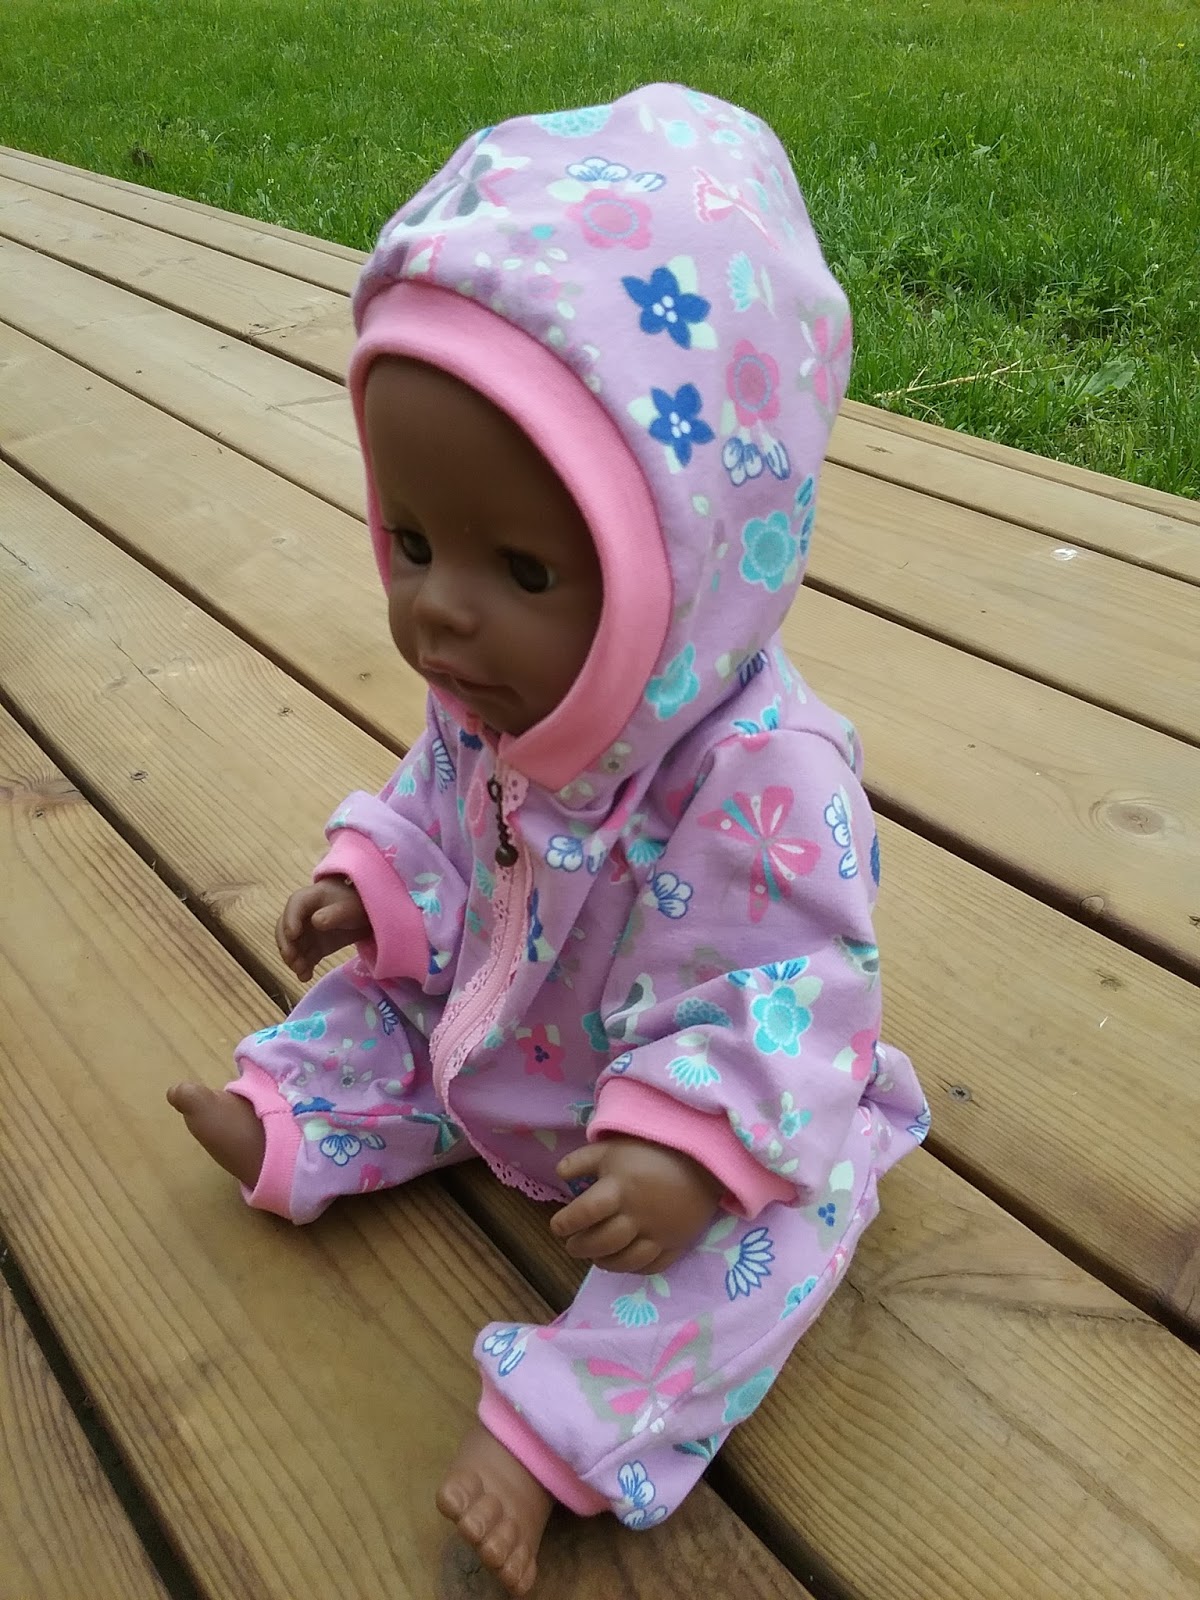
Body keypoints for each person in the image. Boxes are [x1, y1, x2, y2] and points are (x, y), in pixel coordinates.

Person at [169, 82, 928, 1597]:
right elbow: (441, 807)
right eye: (413, 542)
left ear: (688, 558)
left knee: (753, 1262)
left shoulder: (766, 779)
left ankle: (560, 1429)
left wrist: (690, 1153)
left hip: (691, 1108)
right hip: (509, 1016)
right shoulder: (497, 688)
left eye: (522, 566)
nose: (442, 613)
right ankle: (312, 1114)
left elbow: (798, 992)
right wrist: (375, 878)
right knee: (384, 998)